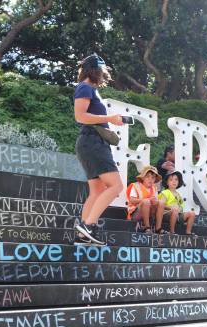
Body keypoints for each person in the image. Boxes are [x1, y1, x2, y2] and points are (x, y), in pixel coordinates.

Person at [73, 53, 124, 245]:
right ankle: (89, 226)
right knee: (116, 186)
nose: (103, 75)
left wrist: (111, 120)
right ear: (94, 70)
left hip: (91, 143)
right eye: (102, 71)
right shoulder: (85, 87)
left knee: (96, 191)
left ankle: (82, 235)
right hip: (93, 143)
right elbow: (81, 117)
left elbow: (90, 116)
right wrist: (109, 119)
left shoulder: (89, 89)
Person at [126, 165, 165, 233]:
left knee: (161, 203)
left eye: (153, 177)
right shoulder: (135, 185)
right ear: (143, 177)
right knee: (146, 202)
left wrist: (155, 201)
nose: (150, 179)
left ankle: (158, 228)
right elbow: (132, 200)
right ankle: (147, 227)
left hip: (150, 213)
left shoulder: (154, 188)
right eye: (147, 177)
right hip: (135, 213)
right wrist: (147, 200)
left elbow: (155, 202)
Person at [158, 170, 197, 235]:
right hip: (166, 213)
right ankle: (172, 231)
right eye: (171, 180)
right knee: (175, 211)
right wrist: (171, 208)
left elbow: (181, 205)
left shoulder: (178, 194)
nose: (174, 181)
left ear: (178, 182)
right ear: (167, 183)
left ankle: (188, 232)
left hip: (177, 214)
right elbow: (161, 205)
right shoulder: (165, 192)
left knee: (192, 213)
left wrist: (179, 208)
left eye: (176, 180)